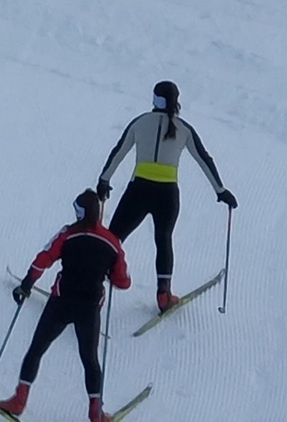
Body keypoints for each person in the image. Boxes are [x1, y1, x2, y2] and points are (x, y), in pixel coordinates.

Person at [96, 80, 237, 313]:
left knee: (113, 238)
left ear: (153, 99)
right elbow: (204, 159)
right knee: (163, 239)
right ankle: (164, 295)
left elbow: (118, 151)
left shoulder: (140, 123)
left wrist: (104, 181)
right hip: (167, 194)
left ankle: (92, 283)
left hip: (138, 190)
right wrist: (221, 191)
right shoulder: (184, 129)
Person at [0, 190, 131, 422]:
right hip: (89, 309)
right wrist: (109, 272)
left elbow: (44, 259)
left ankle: (19, 400)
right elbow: (123, 282)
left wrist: (27, 284)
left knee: (36, 349)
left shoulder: (68, 234)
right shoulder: (112, 243)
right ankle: (96, 414)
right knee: (90, 359)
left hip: (61, 302)